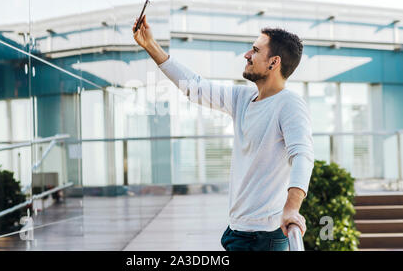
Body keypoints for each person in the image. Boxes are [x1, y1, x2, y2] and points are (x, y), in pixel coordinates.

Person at [132, 14, 314, 251]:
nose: (247, 55)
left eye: (255, 50)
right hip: (238, 230)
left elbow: (303, 155)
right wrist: (150, 45)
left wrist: (292, 207)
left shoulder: (289, 104)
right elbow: (195, 87)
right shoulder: (243, 98)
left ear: (274, 62)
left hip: (264, 237)